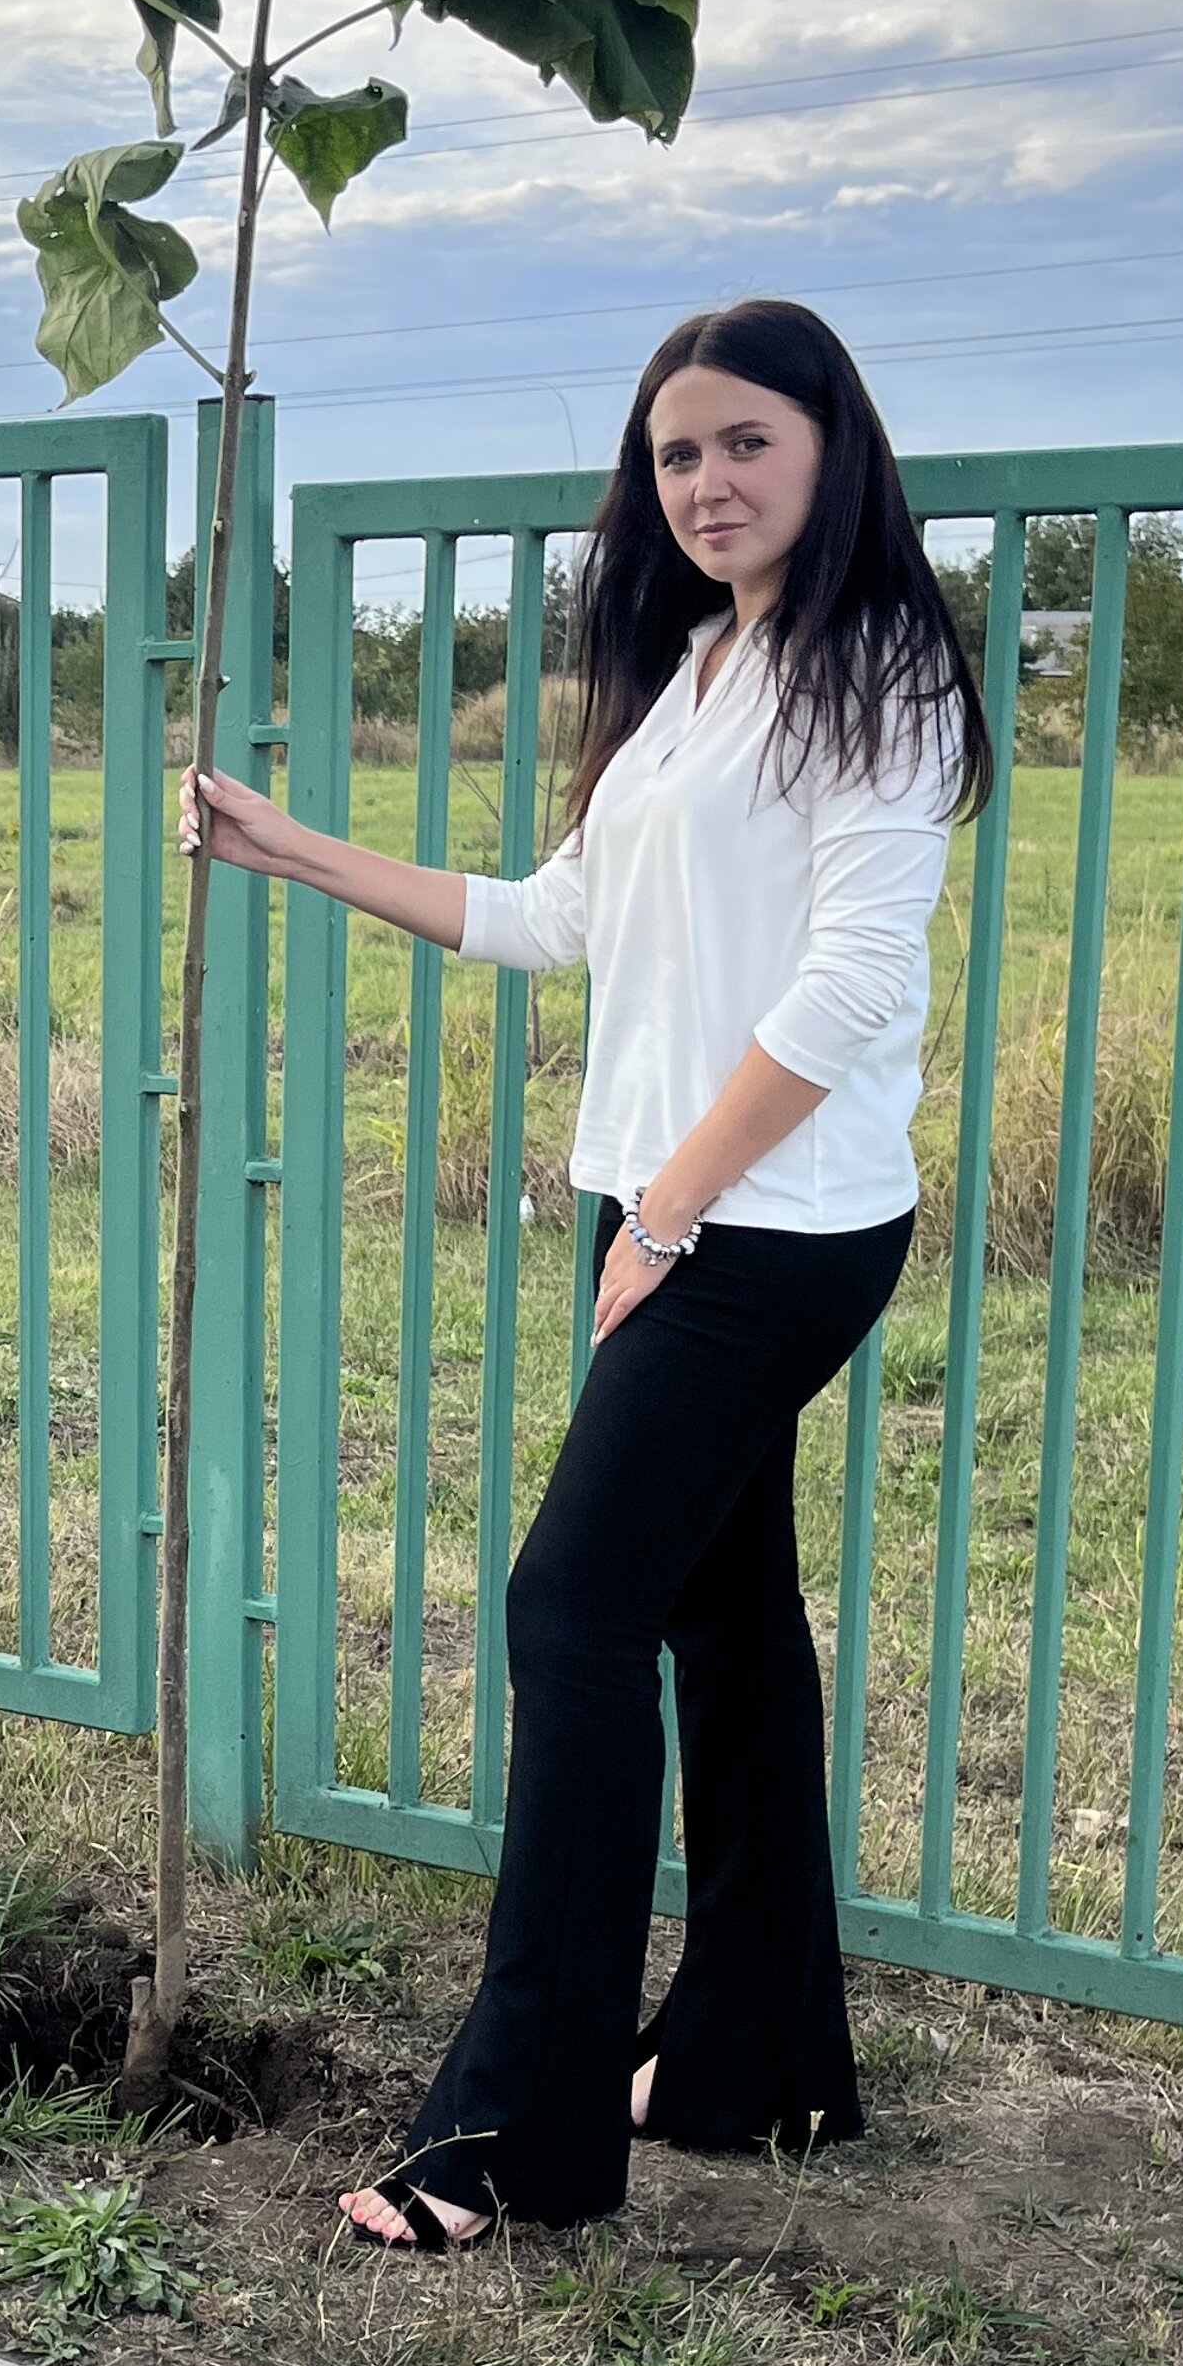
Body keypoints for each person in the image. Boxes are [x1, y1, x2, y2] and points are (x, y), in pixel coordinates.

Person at [182, 299, 992, 2249]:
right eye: (676, 455)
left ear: (830, 448)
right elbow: (558, 918)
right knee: (725, 1625)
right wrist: (302, 851)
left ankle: (513, 2137)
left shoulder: (875, 672)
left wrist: (673, 1212)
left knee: (572, 1609)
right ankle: (761, 2062)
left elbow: (853, 987)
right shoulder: (708, 668)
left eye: (745, 445)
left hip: (766, 1231)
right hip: (672, 1206)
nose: (707, 483)